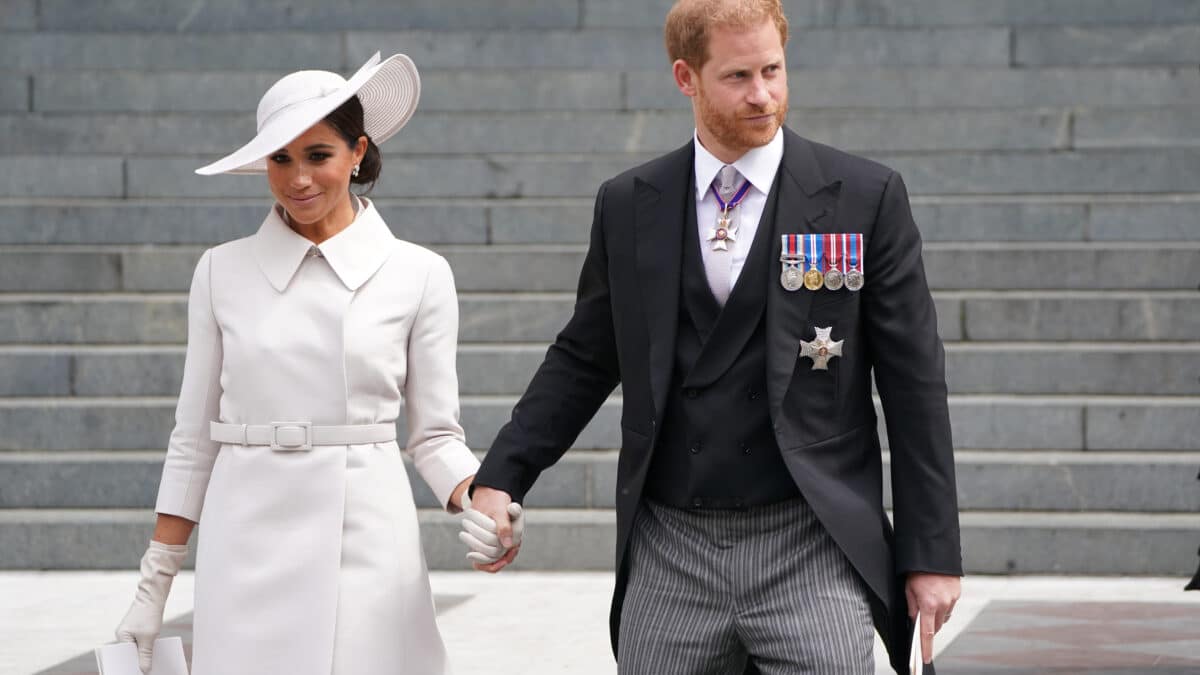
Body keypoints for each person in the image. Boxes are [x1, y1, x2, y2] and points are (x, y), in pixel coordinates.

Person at [466, 1, 962, 672]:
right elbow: (586, 354)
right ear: (685, 77)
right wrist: (503, 475)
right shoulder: (628, 203)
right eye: (737, 77)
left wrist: (930, 553)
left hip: (809, 539)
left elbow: (914, 382)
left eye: (773, 70)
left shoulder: (863, 196)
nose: (763, 94)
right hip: (671, 543)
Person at [112, 53, 493, 675]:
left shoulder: (419, 273)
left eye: (317, 155)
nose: (297, 179)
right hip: (246, 536)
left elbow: (435, 436)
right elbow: (191, 439)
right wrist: (151, 590)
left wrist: (483, 499)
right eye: (280, 158)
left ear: (357, 153)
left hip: (369, 534)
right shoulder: (220, 271)